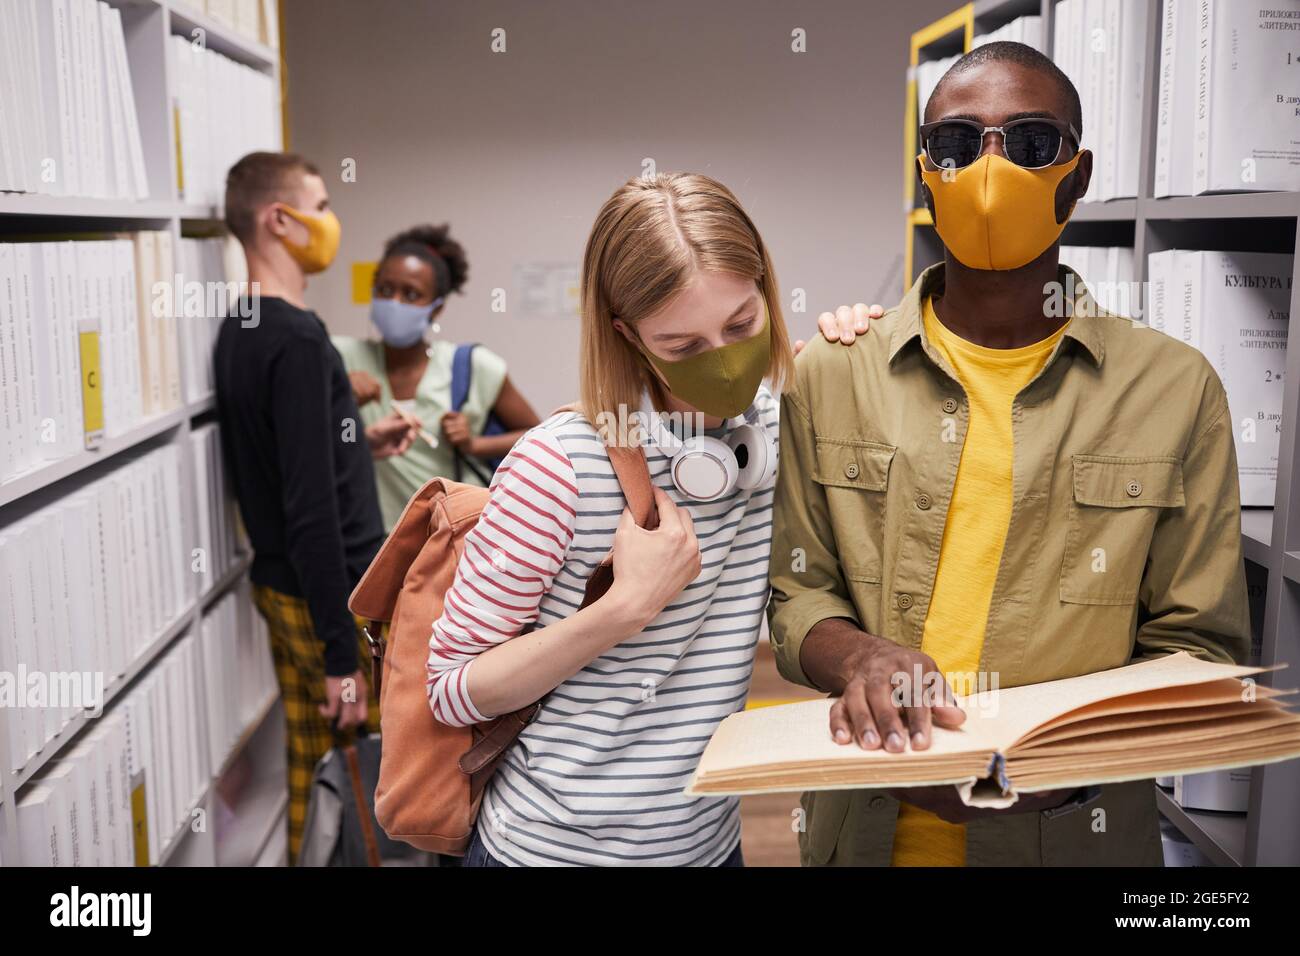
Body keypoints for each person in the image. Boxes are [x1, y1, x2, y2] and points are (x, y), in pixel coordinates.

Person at [769, 41, 1250, 867]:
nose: (990, 171)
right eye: (957, 144)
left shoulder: (1175, 389)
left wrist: (1062, 766)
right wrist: (861, 656)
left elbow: (1201, 648)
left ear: (1080, 173)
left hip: (1070, 840)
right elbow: (796, 595)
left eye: (1030, 143)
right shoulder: (834, 374)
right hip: (863, 834)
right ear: (926, 172)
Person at [423, 172, 870, 867]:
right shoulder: (556, 468)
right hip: (547, 854)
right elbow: (451, 691)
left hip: (710, 848)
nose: (723, 361)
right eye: (682, 345)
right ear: (628, 336)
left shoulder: (787, 431)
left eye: (742, 324)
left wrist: (866, 346)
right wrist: (621, 610)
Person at [213, 152, 414, 862]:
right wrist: (340, 656)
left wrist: (359, 445)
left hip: (284, 588)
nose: (331, 222)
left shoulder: (243, 325)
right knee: (374, 790)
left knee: (319, 770)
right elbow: (308, 509)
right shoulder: (298, 341)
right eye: (321, 206)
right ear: (278, 220)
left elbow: (284, 462)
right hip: (332, 597)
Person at [335, 225, 542, 529]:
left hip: (448, 544)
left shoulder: (473, 367)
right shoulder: (339, 358)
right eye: (384, 289)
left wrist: (475, 443)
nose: (394, 302)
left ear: (437, 307)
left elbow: (534, 437)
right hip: (369, 545)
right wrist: (338, 393)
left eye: (411, 294)